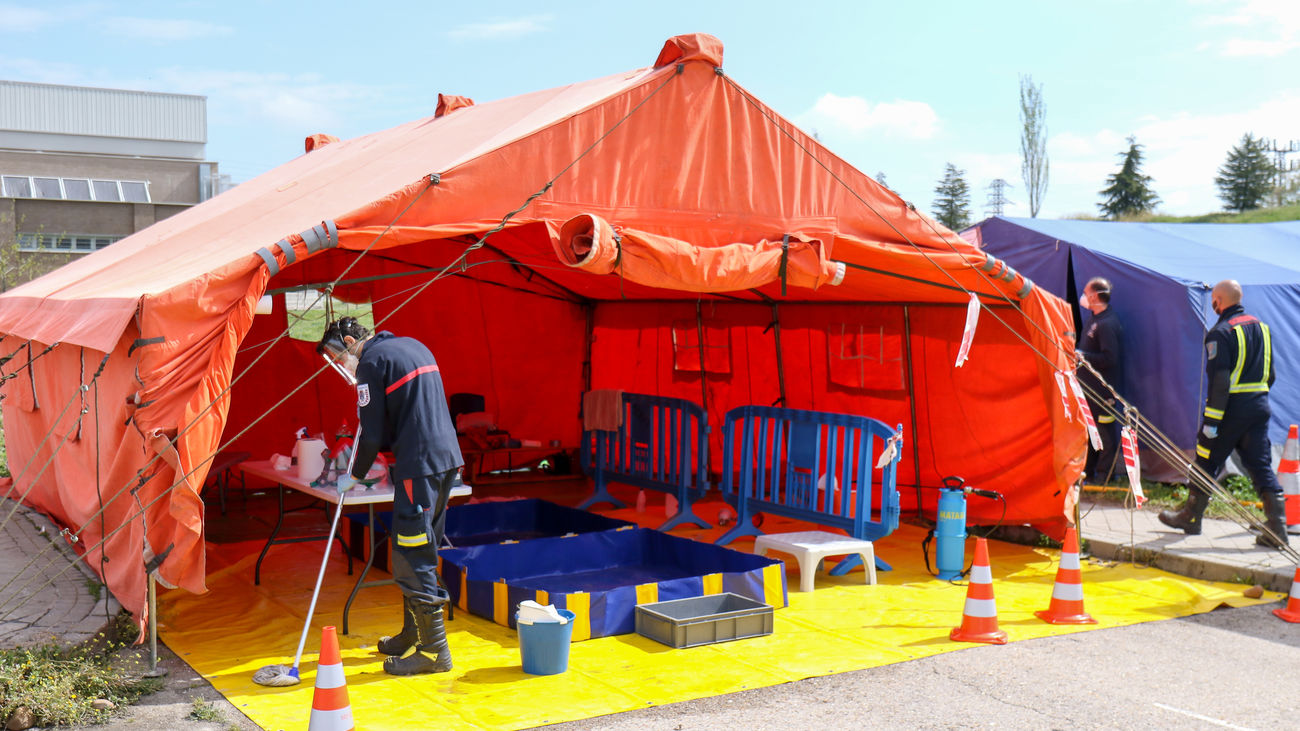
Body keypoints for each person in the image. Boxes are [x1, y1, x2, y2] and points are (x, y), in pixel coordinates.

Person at [318, 317, 465, 674]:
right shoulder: (413, 345)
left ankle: (434, 652)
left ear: (351, 341)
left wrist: (352, 476)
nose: (342, 365)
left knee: (411, 554)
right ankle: (411, 634)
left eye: (339, 357)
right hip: (447, 462)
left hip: (419, 467)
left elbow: (371, 433)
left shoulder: (371, 362)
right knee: (411, 546)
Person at [1159, 280, 1289, 548]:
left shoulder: (1221, 333)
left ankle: (1191, 517)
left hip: (1230, 409)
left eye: (1214, 300)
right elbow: (1271, 374)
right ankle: (1277, 528)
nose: (1213, 304)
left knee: (1206, 459)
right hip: (1260, 406)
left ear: (1218, 300)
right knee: (1259, 463)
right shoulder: (1263, 329)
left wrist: (1212, 423)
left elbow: (1220, 382)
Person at [1077, 277, 1124, 483]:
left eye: (1087, 293)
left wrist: (1083, 356)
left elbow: (1109, 358)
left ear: (1095, 296)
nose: (1084, 296)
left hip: (1102, 392)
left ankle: (1105, 476)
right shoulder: (1093, 319)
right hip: (1088, 389)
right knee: (1090, 432)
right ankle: (1089, 471)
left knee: (1104, 433)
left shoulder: (1107, 324)